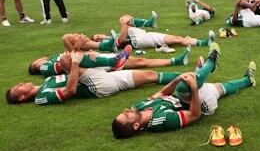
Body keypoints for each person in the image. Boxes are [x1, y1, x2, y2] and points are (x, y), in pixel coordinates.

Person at [112, 49, 256, 138]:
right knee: (184, 86)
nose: (126, 110)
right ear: (136, 126)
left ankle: (248, 80)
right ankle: (210, 63)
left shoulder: (139, 107)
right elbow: (194, 115)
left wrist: (177, 79)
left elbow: (162, 92)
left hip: (188, 96)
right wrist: (193, 88)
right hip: (200, 105)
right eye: (126, 115)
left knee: (221, 87)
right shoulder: (160, 121)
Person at [5, 50, 187, 106]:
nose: (21, 83)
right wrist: (76, 63)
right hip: (95, 86)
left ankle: (189, 77)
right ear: (21, 97)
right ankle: (111, 60)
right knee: (66, 59)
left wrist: (84, 58)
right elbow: (70, 90)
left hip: (93, 76)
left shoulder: (45, 82)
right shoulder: (41, 97)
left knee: (150, 75)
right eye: (18, 88)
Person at [28, 46, 190, 76]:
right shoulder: (44, 67)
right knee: (140, 64)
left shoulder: (51, 59)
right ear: (35, 65)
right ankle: (115, 61)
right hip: (97, 68)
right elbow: (66, 66)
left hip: (94, 60)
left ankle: (176, 60)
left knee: (140, 60)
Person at [116, 15, 215, 51]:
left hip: (147, 36)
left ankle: (205, 42)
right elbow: (121, 40)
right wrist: (124, 23)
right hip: (142, 40)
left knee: (178, 38)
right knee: (178, 39)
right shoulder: (120, 35)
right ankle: (149, 23)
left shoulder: (130, 29)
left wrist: (127, 22)